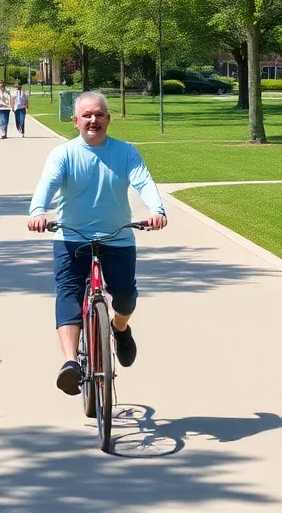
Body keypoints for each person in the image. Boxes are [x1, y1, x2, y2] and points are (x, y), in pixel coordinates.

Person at [27, 91, 168, 395]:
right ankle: (70, 364)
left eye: (99, 114)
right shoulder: (63, 154)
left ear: (108, 119)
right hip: (71, 237)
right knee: (68, 293)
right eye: (87, 116)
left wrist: (156, 210)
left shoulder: (125, 152)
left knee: (126, 296)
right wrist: (38, 211)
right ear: (75, 121)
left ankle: (118, 328)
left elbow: (143, 181)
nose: (94, 120)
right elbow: (47, 185)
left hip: (117, 236)